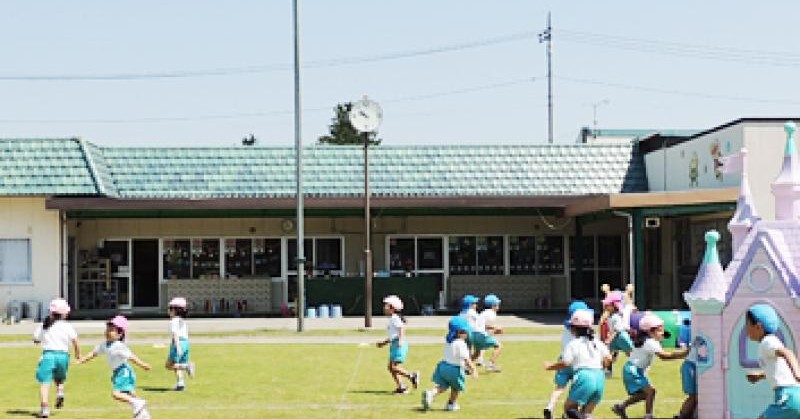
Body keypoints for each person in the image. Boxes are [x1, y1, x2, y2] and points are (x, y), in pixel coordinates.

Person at [611, 313, 689, 419]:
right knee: (650, 391)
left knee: (644, 394)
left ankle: (621, 406)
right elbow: (664, 356)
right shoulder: (651, 342)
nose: (662, 333)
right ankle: (648, 416)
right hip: (633, 370)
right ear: (650, 331)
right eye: (660, 330)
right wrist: (684, 354)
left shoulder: (646, 340)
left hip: (632, 369)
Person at [76, 315, 152, 419]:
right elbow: (94, 353)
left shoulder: (119, 346)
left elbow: (131, 357)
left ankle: (139, 404)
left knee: (116, 394)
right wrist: (82, 360)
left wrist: (143, 365)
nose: (107, 332)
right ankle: (143, 414)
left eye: (111, 330)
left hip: (124, 371)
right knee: (129, 394)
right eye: (107, 329)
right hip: (117, 372)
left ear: (120, 334)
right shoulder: (104, 344)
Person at [545, 308, 612, 419]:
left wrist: (550, 366)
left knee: (569, 409)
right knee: (587, 413)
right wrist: (602, 367)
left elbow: (566, 363)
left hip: (584, 376)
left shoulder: (573, 344)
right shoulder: (597, 342)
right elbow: (609, 358)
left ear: (573, 329)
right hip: (600, 377)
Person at [744, 304, 800, 419]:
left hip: (788, 397)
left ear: (758, 327)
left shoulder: (767, 341)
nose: (746, 328)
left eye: (748, 324)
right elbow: (779, 368)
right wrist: (761, 375)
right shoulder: (769, 342)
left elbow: (788, 353)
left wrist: (798, 374)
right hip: (793, 395)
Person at [32, 298, 80, 418]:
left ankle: (44, 408)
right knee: (59, 378)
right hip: (63, 355)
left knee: (45, 382)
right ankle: (60, 391)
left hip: (48, 355)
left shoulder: (45, 325)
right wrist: (78, 354)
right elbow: (75, 341)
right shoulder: (67, 326)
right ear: (64, 313)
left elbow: (36, 339)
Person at [544, 300, 591, 419]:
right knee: (579, 387)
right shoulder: (583, 332)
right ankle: (571, 411)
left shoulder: (567, 329)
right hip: (578, 362)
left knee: (559, 387)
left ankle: (550, 406)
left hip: (563, 359)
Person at [421, 316, 478, 412]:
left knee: (443, 386)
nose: (467, 333)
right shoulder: (461, 343)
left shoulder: (449, 341)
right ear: (459, 332)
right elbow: (466, 358)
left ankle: (431, 393)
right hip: (455, 369)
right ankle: (451, 404)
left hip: (443, 366)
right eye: (465, 331)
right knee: (456, 388)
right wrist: (474, 369)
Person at [376, 295, 419, 394]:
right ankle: (402, 387)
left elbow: (401, 329)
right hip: (394, 344)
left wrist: (401, 340)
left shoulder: (395, 318)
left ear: (392, 308)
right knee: (391, 367)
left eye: (386, 306)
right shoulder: (392, 319)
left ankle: (412, 376)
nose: (384, 308)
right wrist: (384, 343)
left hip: (398, 345)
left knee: (393, 367)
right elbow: (392, 335)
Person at [165, 297, 195, 391]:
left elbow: (175, 334)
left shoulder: (174, 321)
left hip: (178, 343)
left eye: (170, 309)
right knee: (177, 364)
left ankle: (187, 366)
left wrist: (177, 346)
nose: (169, 311)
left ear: (175, 310)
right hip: (185, 343)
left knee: (169, 365)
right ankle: (180, 384)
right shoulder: (182, 321)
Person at [602, 291, 633, 377]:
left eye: (607, 305)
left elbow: (617, 330)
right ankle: (606, 371)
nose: (605, 307)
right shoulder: (609, 317)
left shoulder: (616, 317)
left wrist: (609, 339)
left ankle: (638, 366)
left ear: (614, 306)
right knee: (608, 354)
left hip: (621, 337)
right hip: (614, 338)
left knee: (630, 353)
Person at [471, 294, 503, 372]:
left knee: (477, 353)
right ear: (493, 305)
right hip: (481, 335)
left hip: (474, 334)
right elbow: (486, 326)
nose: (498, 306)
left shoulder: (484, 313)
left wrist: (495, 331)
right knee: (499, 346)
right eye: (497, 304)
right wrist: (496, 328)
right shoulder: (491, 313)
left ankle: (464, 365)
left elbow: (483, 326)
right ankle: (490, 365)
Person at [674, 317, 697, 419]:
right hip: (690, 366)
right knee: (694, 397)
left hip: (691, 365)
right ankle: (682, 416)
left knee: (696, 397)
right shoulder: (695, 333)